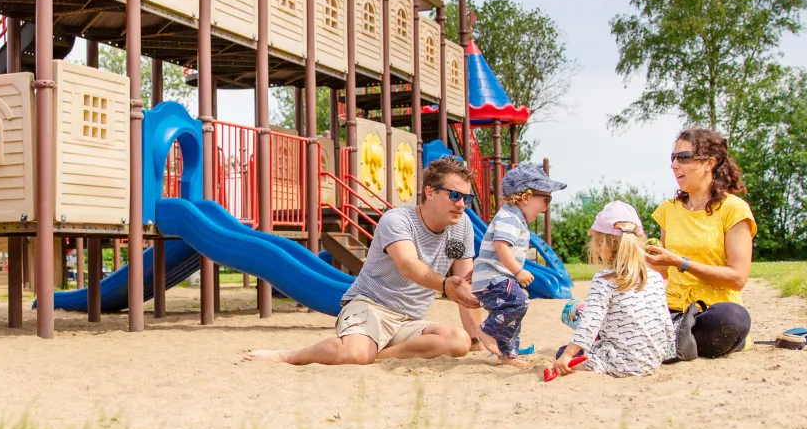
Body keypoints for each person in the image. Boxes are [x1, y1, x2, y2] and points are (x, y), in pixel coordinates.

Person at [243, 157, 482, 365]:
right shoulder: (398, 220)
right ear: (430, 192)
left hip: (410, 320)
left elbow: (465, 287)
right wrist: (443, 286)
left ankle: (376, 355)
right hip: (371, 307)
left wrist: (476, 340)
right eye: (454, 195)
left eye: (466, 198)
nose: (461, 204)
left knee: (458, 342)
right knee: (355, 355)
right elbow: (409, 265)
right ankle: (288, 356)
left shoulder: (461, 228)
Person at [644, 128, 756, 359]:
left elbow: (737, 278)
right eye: (673, 158)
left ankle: (667, 342)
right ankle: (677, 341)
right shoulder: (668, 209)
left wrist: (682, 263)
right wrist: (635, 258)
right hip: (672, 310)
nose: (675, 165)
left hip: (712, 312)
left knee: (734, 318)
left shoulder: (733, 209)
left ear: (709, 163)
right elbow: (663, 270)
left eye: (684, 157)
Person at [546, 201, 676, 379]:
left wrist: (567, 355)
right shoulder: (653, 277)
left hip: (620, 363)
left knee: (565, 352)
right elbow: (665, 322)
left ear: (601, 243)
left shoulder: (604, 280)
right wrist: (664, 354)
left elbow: (589, 325)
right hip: (653, 359)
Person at [471, 164, 566, 369]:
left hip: (492, 277)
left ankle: (508, 355)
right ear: (526, 197)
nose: (546, 206)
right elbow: (501, 246)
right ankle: (487, 331)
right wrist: (518, 271)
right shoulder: (510, 218)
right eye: (545, 199)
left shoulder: (515, 218)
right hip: (494, 279)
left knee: (513, 313)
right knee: (519, 300)